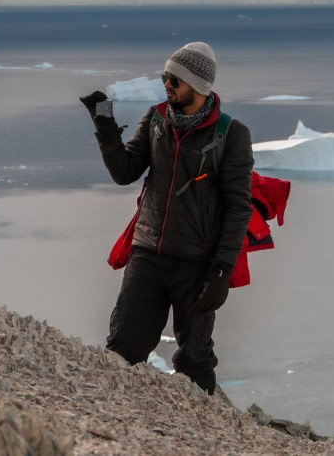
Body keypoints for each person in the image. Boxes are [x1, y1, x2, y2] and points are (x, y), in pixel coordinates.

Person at [80, 41, 253, 395]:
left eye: (174, 78)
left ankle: (205, 438)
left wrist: (221, 272)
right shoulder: (157, 119)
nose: (166, 83)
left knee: (195, 362)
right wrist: (105, 126)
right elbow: (124, 172)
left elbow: (238, 207)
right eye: (165, 76)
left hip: (197, 264)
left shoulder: (231, 135)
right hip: (148, 256)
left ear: (198, 85)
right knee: (122, 349)